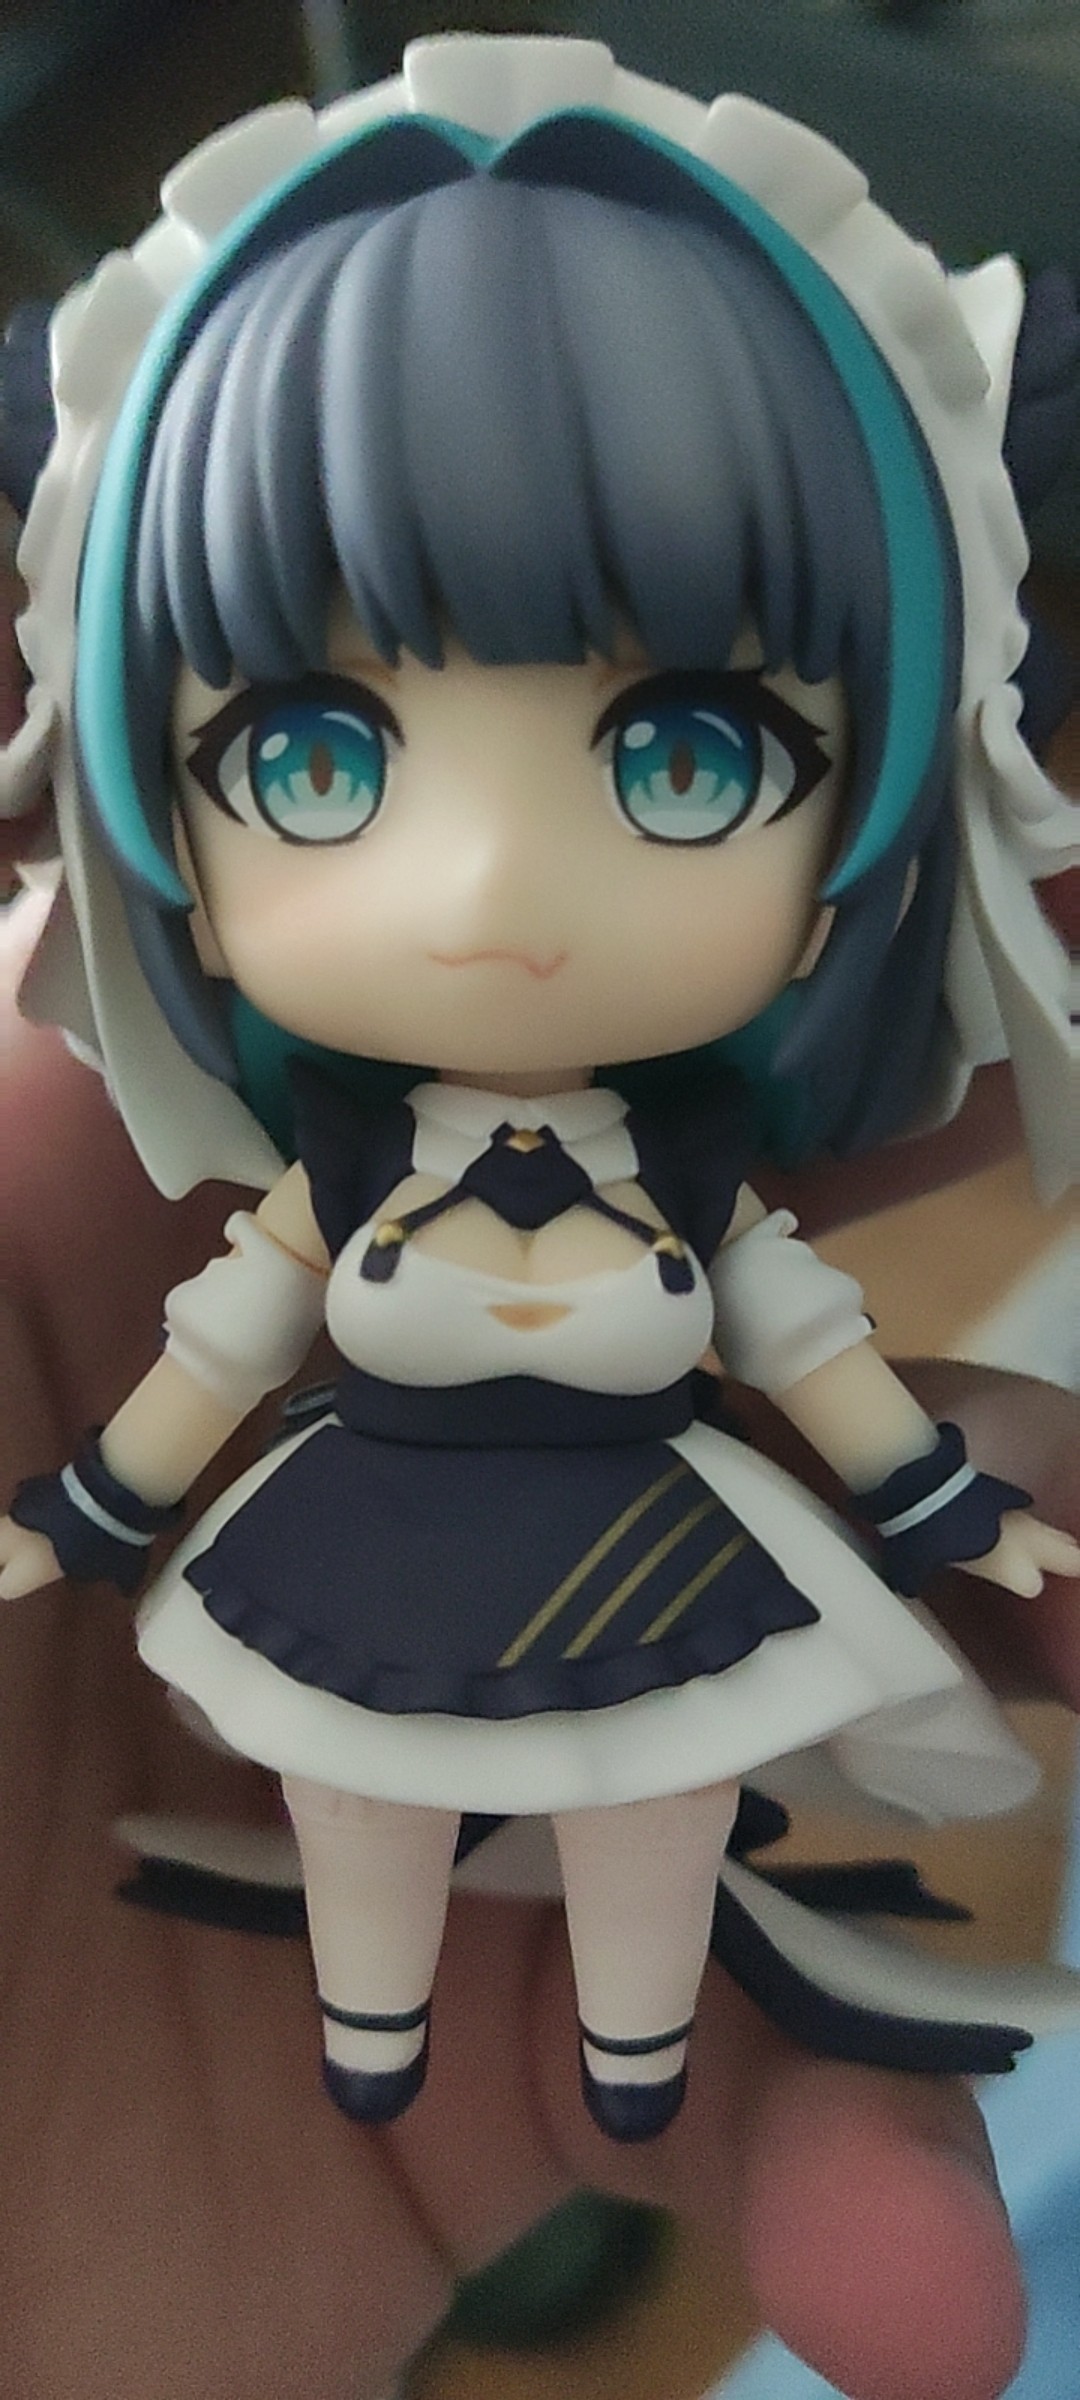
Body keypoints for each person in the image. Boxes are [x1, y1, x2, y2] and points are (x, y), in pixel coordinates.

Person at [0, 33, 1078, 2392]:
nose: (490, 889)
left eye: (686, 755)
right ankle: (374, 2017)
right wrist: (85, 1506)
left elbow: (809, 1341)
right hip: (358, 1524)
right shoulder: (328, 1182)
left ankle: (628, 2036)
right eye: (315, 758)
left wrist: (933, 1505)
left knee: (656, 1801)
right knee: (355, 1798)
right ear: (161, 822)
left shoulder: (695, 1179)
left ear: (867, 826)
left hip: (654, 1518)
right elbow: (218, 1340)